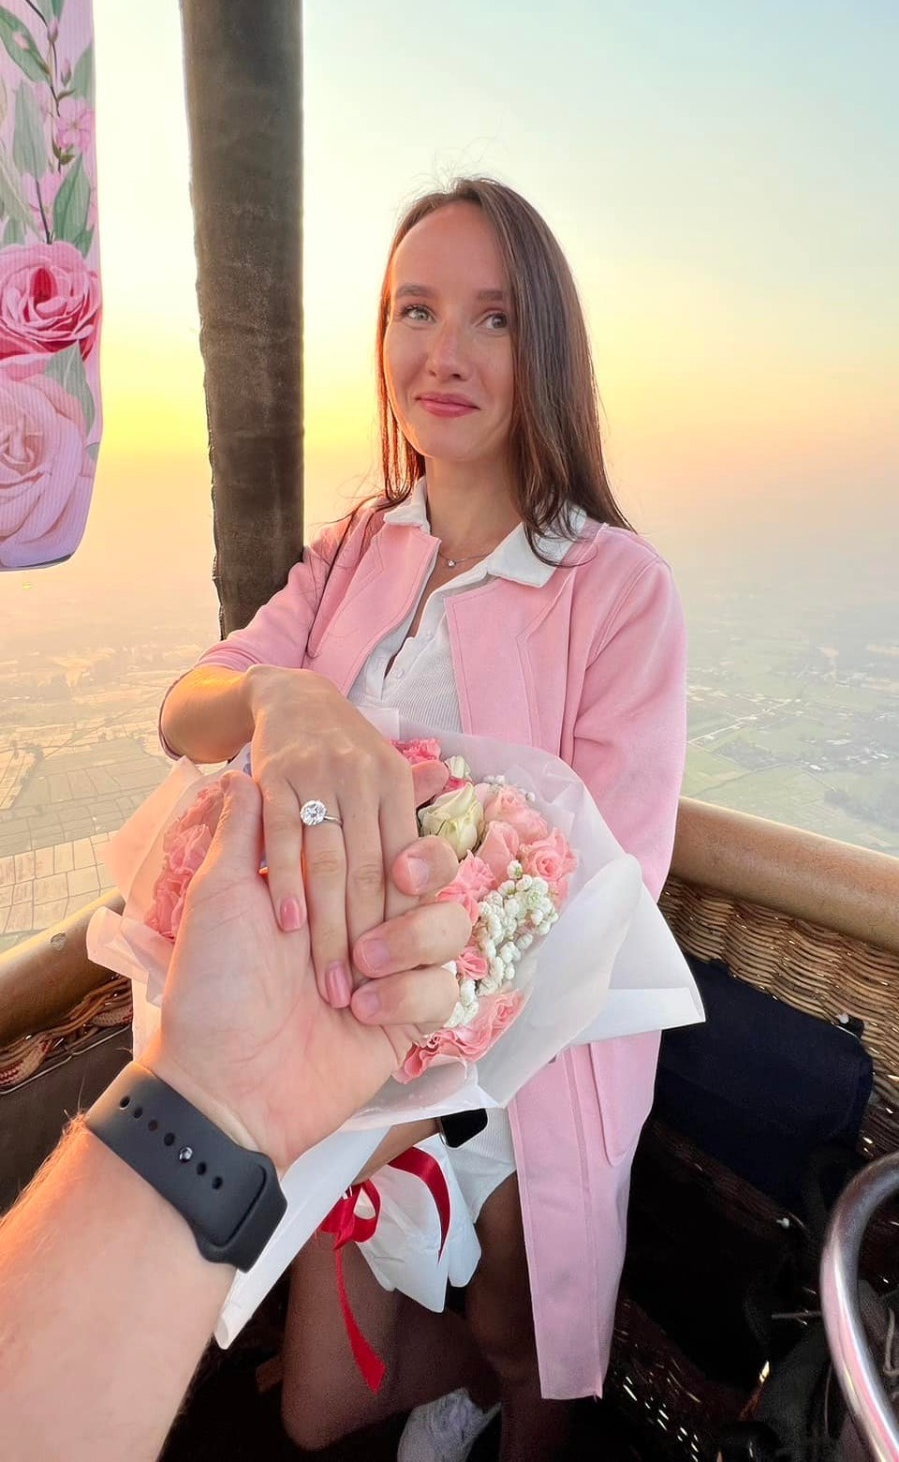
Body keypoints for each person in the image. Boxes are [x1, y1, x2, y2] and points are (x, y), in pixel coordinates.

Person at [160, 177, 687, 1461]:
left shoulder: (612, 588)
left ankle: (507, 1389)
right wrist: (280, 695)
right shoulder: (355, 549)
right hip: (340, 1043)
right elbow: (186, 710)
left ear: (543, 347)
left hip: (529, 1059)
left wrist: (365, 1111)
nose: (443, 353)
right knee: (316, 1407)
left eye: (491, 318)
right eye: (414, 309)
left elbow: (607, 890)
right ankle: (471, 1379)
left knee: (529, 1343)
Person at [0, 771, 470, 1462]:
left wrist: (213, 1096)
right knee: (320, 1404)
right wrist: (218, 1098)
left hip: (446, 1111)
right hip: (344, 1112)